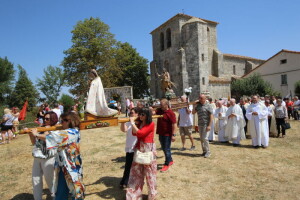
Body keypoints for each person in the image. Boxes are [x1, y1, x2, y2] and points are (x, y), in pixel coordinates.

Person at [31, 112, 85, 200]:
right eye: (61, 120)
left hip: (71, 165)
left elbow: (52, 137)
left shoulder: (72, 132)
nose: (62, 122)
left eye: (65, 120)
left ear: (72, 121)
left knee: (75, 188)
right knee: (62, 189)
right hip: (63, 165)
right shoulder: (70, 131)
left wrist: (36, 134)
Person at [126, 107, 157, 200]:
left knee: (150, 173)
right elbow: (135, 133)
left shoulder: (151, 124)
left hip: (148, 149)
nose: (140, 116)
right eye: (139, 114)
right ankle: (134, 195)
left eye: (142, 114)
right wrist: (135, 124)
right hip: (139, 148)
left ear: (147, 115)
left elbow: (141, 133)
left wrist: (132, 123)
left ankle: (152, 194)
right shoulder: (140, 123)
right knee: (136, 173)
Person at [28, 111, 58, 200]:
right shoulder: (41, 128)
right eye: (44, 118)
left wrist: (36, 134)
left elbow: (47, 137)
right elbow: (34, 142)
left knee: (50, 180)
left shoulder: (55, 128)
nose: (45, 120)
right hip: (37, 156)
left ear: (53, 119)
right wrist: (31, 134)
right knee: (35, 180)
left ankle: (55, 197)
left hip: (48, 158)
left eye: (47, 119)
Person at [119, 108, 138, 189]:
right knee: (128, 165)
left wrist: (133, 122)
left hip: (136, 146)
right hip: (129, 146)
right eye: (130, 113)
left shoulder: (138, 122)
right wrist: (123, 123)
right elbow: (124, 130)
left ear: (137, 114)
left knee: (136, 166)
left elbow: (137, 132)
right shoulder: (128, 122)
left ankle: (132, 181)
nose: (131, 114)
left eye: (132, 113)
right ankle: (125, 181)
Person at [155, 98, 176, 171]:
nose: (160, 106)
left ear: (166, 105)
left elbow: (174, 124)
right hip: (161, 133)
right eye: (160, 104)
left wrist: (173, 135)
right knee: (164, 148)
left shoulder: (171, 113)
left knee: (167, 149)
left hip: (167, 134)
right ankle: (170, 160)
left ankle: (166, 163)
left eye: (162, 104)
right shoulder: (160, 111)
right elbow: (153, 113)